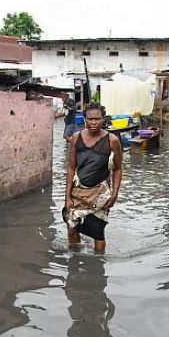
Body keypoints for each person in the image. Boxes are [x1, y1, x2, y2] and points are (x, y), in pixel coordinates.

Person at [63, 102, 122, 253]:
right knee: (71, 226)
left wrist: (114, 194)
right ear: (84, 119)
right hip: (78, 190)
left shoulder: (112, 141)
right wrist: (67, 197)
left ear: (103, 119)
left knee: (98, 232)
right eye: (90, 119)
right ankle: (75, 258)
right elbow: (71, 167)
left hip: (100, 193)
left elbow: (117, 169)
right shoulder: (76, 138)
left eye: (97, 119)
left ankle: (98, 265)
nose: (94, 122)